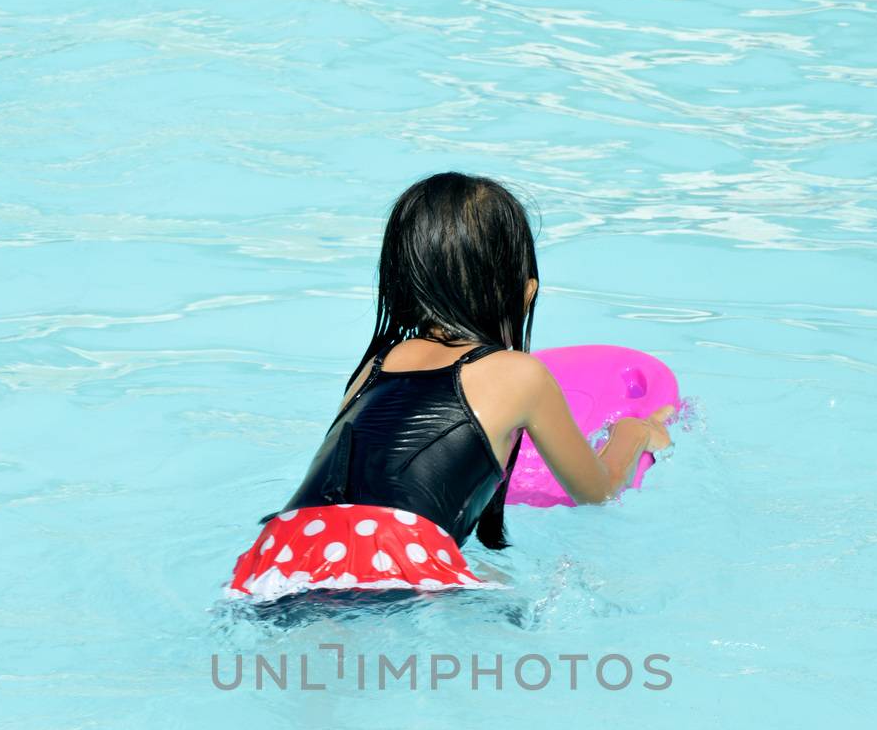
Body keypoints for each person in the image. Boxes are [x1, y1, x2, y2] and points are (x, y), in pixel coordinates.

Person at [229, 172, 674, 601]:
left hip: (277, 556)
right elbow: (596, 493)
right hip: (398, 556)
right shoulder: (520, 374)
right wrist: (631, 433)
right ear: (526, 291)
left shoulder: (373, 368)